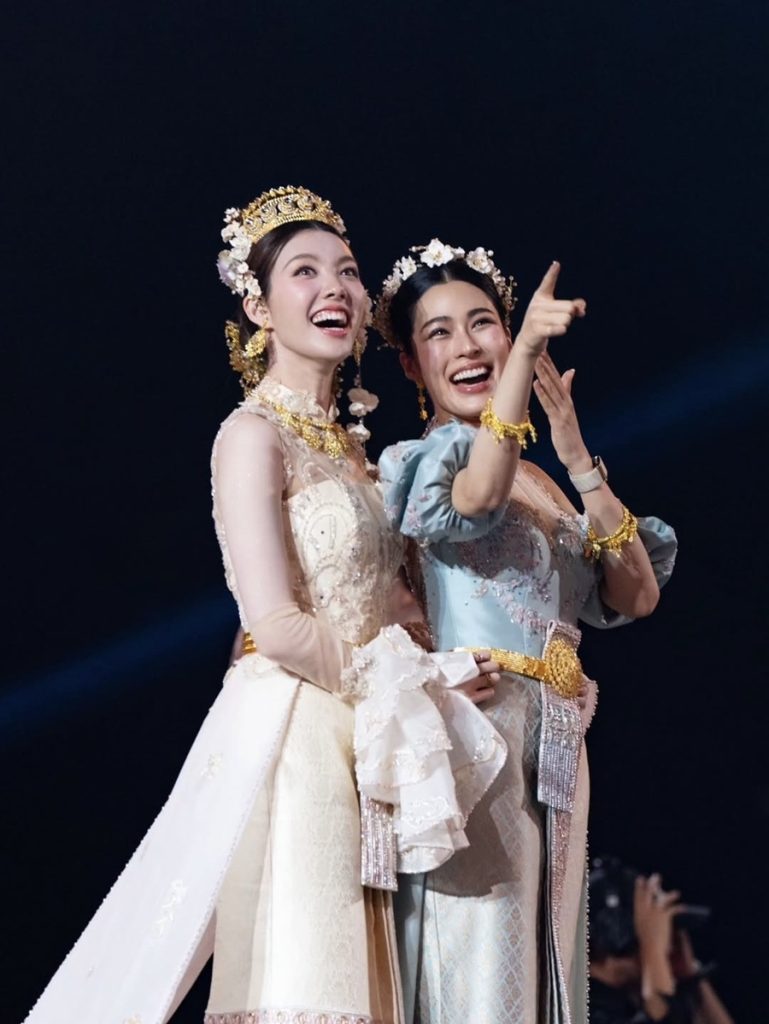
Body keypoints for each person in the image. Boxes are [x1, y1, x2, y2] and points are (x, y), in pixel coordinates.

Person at [22, 191, 505, 1024]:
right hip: (299, 733)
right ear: (257, 306)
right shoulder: (250, 435)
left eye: (346, 272)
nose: (335, 289)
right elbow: (275, 626)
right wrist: (417, 686)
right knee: (311, 985)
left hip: (373, 740)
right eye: (304, 272)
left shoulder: (357, 452)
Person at [375, 240, 678, 1023]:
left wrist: (575, 456)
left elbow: (635, 595)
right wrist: (523, 364)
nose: (467, 346)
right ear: (410, 365)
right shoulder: (430, 458)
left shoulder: (539, 480)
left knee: (548, 974)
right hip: (477, 737)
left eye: (483, 324)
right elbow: (477, 499)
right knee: (481, 970)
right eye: (438, 332)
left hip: (555, 747)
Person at [589, 856, 734, 1024]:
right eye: (657, 932)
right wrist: (654, 951)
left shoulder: (627, 1003)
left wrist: (690, 978)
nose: (669, 944)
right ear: (617, 936)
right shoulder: (583, 1008)